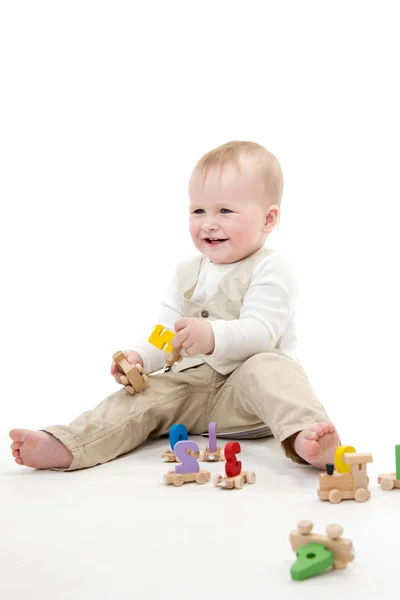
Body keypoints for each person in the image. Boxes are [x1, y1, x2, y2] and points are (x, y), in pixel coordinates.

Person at [9, 140, 339, 471]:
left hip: (248, 398)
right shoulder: (186, 272)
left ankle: (305, 436)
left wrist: (211, 336)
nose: (208, 222)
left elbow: (262, 331)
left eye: (224, 211)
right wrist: (142, 357)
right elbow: (166, 332)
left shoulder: (271, 267)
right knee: (140, 398)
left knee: (273, 369)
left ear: (268, 220)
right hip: (189, 388)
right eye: (199, 210)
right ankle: (71, 443)